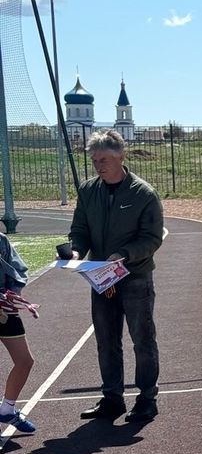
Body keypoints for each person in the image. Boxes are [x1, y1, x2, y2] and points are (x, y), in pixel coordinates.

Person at [62, 129, 165, 424]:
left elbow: (152, 238)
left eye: (104, 160)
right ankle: (112, 399)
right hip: (101, 278)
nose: (99, 166)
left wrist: (124, 254)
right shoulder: (88, 191)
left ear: (121, 156)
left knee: (142, 339)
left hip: (135, 277)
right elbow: (80, 229)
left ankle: (147, 400)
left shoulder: (143, 194)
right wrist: (76, 251)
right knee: (106, 340)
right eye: (94, 161)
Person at [0, 232, 38, 437]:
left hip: (5, 309)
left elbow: (18, 270)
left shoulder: (1, 240)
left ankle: (7, 409)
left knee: (25, 361)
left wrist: (11, 296)